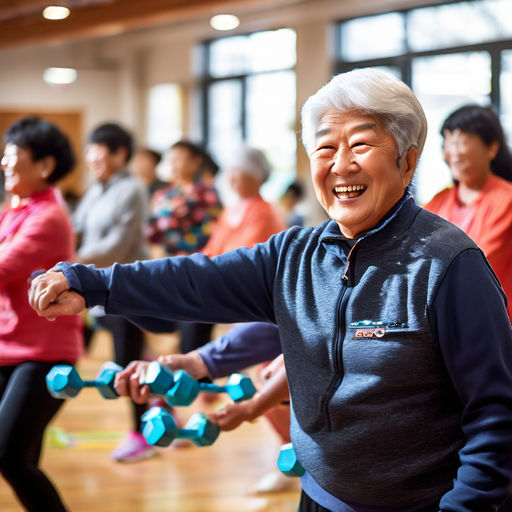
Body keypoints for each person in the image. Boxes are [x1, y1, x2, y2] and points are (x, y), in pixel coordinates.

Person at [29, 69, 512, 511]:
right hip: (319, 496)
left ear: (407, 163)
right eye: (325, 149)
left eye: (361, 146)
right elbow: (197, 278)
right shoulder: (292, 256)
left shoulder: (449, 264)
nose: (341, 166)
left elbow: (495, 412)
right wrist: (90, 282)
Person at [0, 116, 83, 511]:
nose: (4, 163)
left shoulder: (48, 217)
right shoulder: (17, 209)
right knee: (21, 457)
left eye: (13, 156)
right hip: (9, 349)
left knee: (9, 455)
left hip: (43, 355)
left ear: (44, 166)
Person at [71, 122, 155, 463]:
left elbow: (116, 246)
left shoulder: (132, 189)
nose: (91, 157)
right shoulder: (96, 190)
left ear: (119, 153)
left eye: (98, 150)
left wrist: (72, 260)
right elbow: (75, 228)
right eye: (89, 150)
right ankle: (158, 382)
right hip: (97, 289)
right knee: (129, 354)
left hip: (126, 289)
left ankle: (141, 436)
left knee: (127, 363)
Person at [180, 146, 286, 355]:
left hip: (252, 287)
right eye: (232, 171)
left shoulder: (263, 212)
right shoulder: (231, 209)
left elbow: (245, 253)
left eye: (239, 170)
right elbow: (214, 247)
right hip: (228, 281)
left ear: (255, 176)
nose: (232, 177)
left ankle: (201, 371)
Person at [423, 105, 512, 320]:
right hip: (444, 320)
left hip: (491, 322)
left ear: (491, 148)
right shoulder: (439, 200)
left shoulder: (506, 199)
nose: (453, 152)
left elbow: (480, 265)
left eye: (461, 142)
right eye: (448, 142)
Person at [145, 140, 222, 258]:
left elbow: (211, 230)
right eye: (171, 159)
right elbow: (150, 228)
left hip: (193, 259)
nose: (173, 164)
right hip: (160, 258)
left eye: (178, 159)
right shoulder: (162, 194)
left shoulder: (206, 193)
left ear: (195, 162)